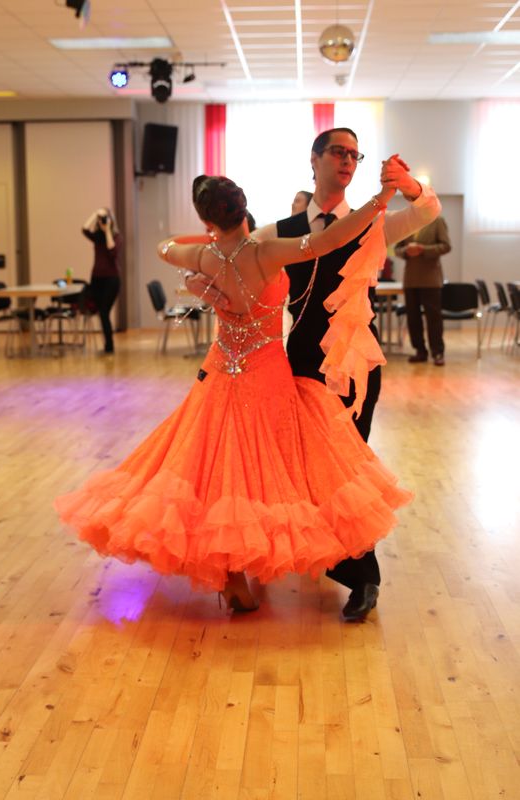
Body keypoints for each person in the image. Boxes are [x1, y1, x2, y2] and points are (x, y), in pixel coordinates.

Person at [55, 174, 412, 614]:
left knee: (217, 467)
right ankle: (257, 561)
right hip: (266, 372)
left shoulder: (204, 256)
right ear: (244, 208)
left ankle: (233, 576)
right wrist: (381, 198)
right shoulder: (267, 251)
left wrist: (202, 264)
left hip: (222, 369)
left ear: (209, 219)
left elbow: (164, 247)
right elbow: (331, 239)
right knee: (272, 467)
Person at [185, 128, 441, 620]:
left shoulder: (374, 224)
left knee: (348, 471)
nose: (348, 160)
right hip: (299, 364)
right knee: (303, 468)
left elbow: (428, 210)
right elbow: (232, 257)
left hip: (354, 366)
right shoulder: (279, 231)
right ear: (315, 159)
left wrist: (407, 185)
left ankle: (363, 577)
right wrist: (203, 278)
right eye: (339, 152)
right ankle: (315, 556)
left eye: (355, 155)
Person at [394, 216, 451, 366]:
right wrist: (406, 251)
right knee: (413, 317)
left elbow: (446, 246)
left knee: (433, 318)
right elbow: (397, 249)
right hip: (411, 279)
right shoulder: (407, 221)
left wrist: (423, 249)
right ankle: (420, 351)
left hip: (431, 279)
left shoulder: (437, 221)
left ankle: (437, 352)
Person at [82, 208, 122, 354]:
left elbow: (112, 251)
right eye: (101, 218)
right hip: (96, 279)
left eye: (105, 217)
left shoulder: (116, 236)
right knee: (101, 312)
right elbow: (84, 229)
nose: (102, 220)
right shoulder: (97, 237)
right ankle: (107, 345)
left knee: (104, 312)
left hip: (112, 280)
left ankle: (109, 346)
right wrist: (95, 214)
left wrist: (107, 230)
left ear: (111, 220)